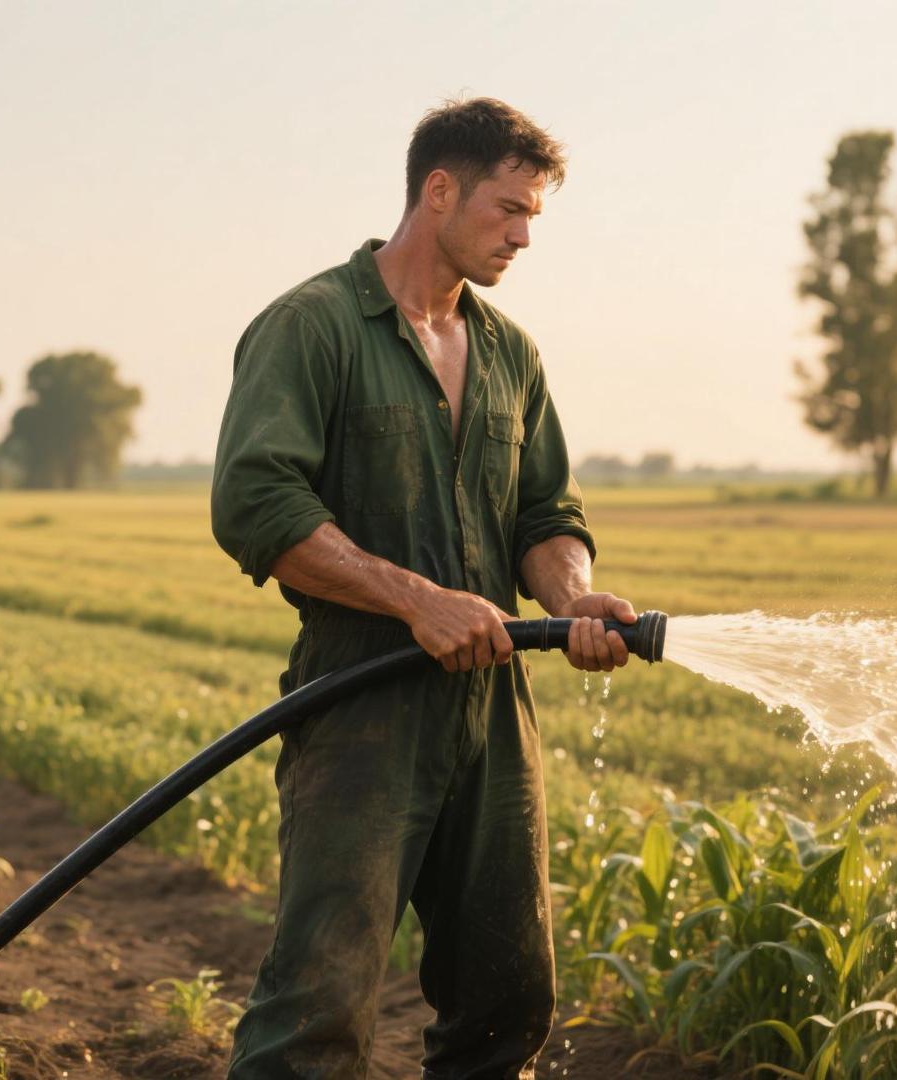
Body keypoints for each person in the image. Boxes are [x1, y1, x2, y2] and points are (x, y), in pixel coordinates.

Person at [211, 97, 637, 1080]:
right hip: (361, 706)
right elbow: (256, 503)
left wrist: (573, 600)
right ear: (437, 190)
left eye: (535, 216)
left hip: (494, 715)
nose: (524, 236)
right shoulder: (310, 328)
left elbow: (546, 516)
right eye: (508, 209)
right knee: (319, 1003)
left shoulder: (508, 354)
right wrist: (414, 598)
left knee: (507, 999)